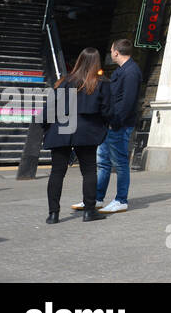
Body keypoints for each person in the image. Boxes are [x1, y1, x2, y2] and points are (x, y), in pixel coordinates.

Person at [46, 48, 111, 223]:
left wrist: (48, 130)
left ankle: (53, 214)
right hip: (87, 131)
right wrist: (103, 127)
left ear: (79, 61)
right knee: (89, 171)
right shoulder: (101, 83)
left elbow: (48, 111)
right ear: (96, 63)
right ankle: (89, 212)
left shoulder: (63, 82)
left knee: (57, 172)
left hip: (61, 129)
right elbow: (107, 111)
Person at [93, 38, 143, 215]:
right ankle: (97, 198)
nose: (111, 53)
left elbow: (127, 102)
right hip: (112, 123)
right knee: (103, 162)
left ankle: (121, 200)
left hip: (118, 125)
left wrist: (115, 122)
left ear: (116, 52)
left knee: (120, 163)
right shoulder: (124, 70)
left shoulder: (130, 72)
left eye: (112, 50)